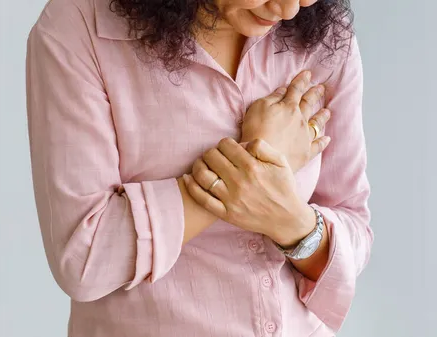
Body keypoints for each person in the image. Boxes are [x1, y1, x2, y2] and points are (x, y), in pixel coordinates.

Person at [25, 0, 373, 335]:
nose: (289, 9)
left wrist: (293, 225)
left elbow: (353, 223)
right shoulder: (79, 28)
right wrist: (260, 159)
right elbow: (84, 259)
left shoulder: (328, 38)